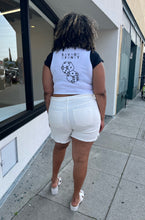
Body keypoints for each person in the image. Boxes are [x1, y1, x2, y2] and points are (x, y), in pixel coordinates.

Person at [42, 12, 106, 212]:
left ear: (62, 32)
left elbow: (47, 91)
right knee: (81, 158)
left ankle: (54, 183)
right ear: (88, 33)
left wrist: (51, 115)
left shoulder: (51, 57)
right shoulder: (93, 57)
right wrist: (101, 118)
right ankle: (75, 199)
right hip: (86, 109)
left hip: (58, 108)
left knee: (59, 147)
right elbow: (101, 92)